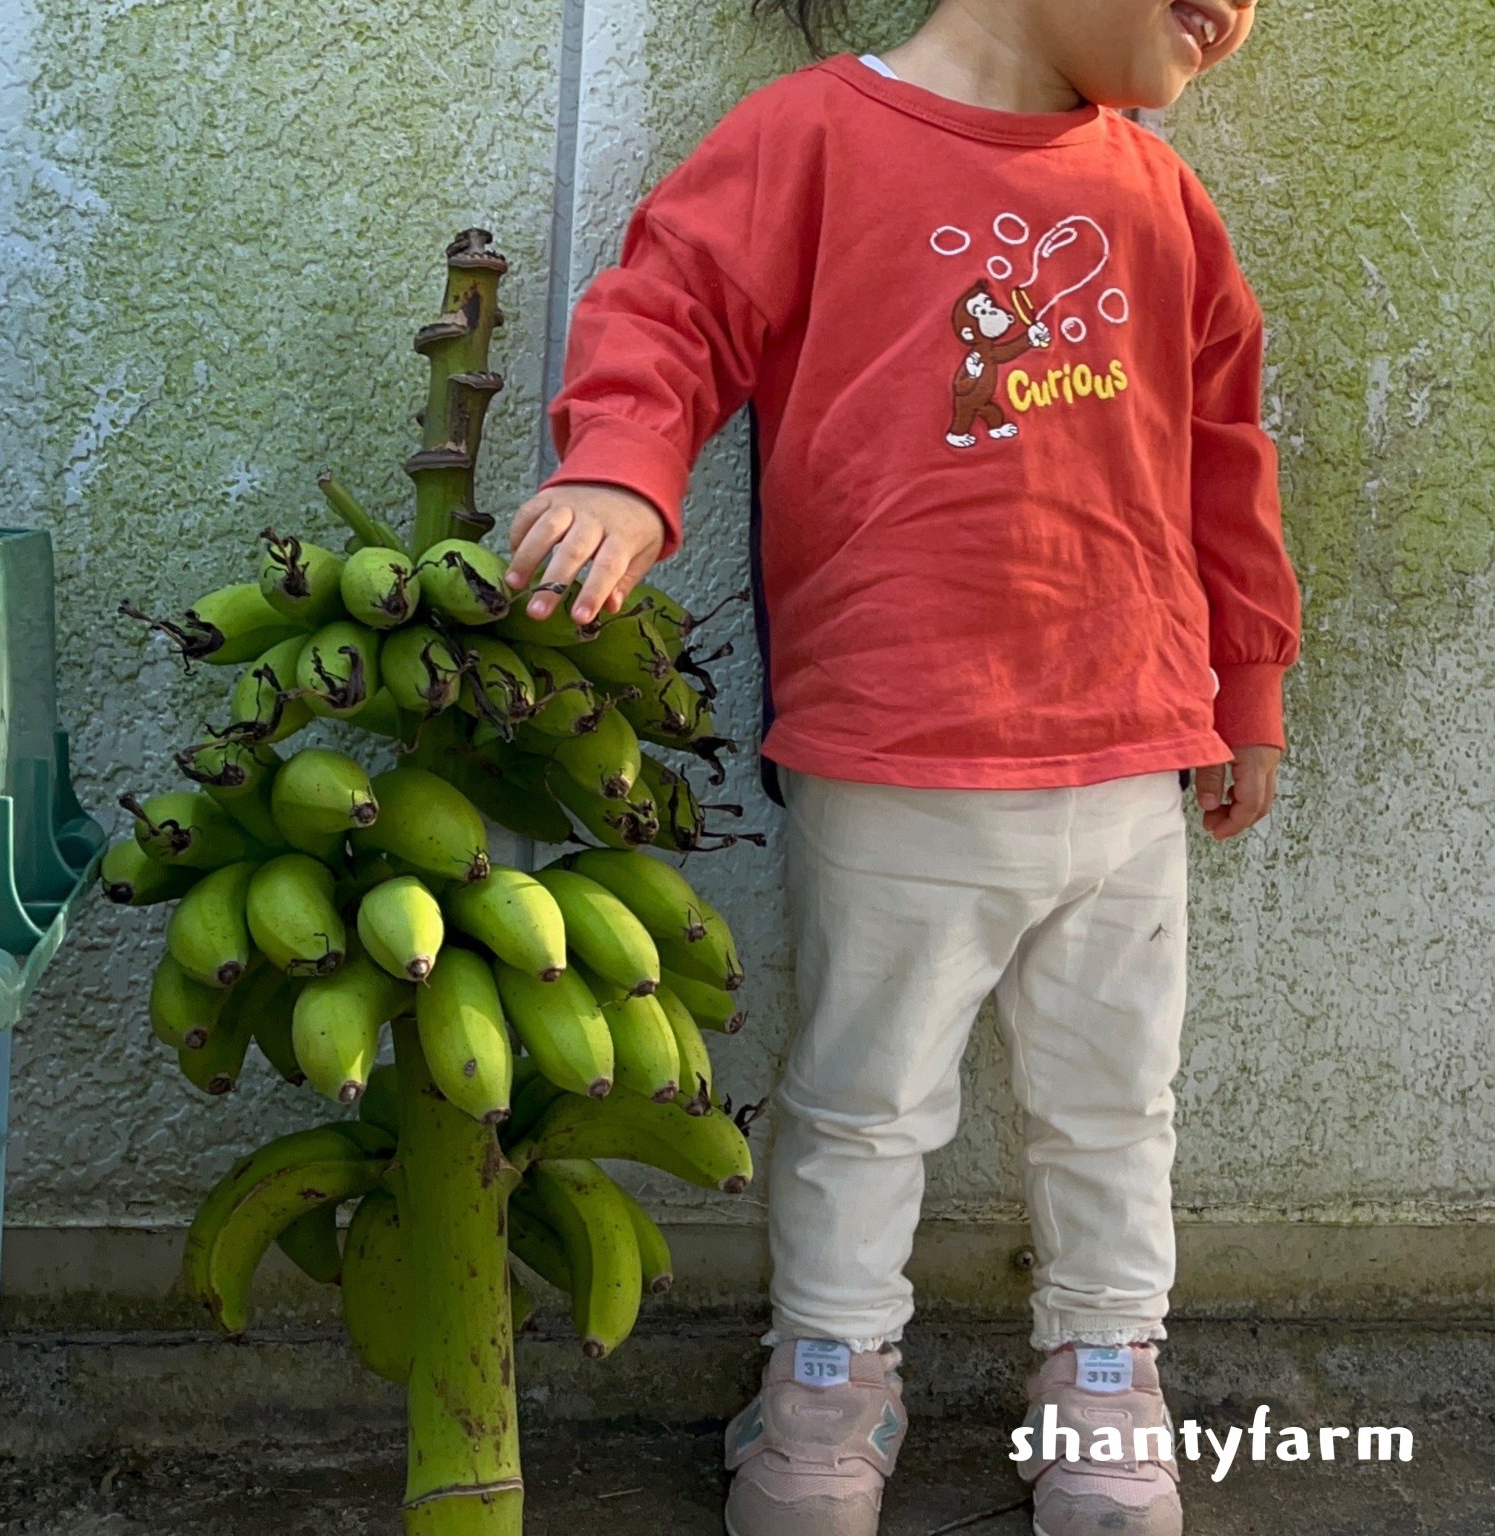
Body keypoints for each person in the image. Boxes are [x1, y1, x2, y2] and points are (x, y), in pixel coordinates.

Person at [506, 0, 1298, 1530]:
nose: (1240, 9)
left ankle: (1106, 1365)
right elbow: (668, 310)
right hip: (891, 747)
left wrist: (1250, 673)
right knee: (862, 1105)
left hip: (1132, 756)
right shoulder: (810, 139)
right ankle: (826, 1373)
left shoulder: (1157, 195)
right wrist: (619, 465)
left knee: (1118, 1103)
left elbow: (1224, 442)